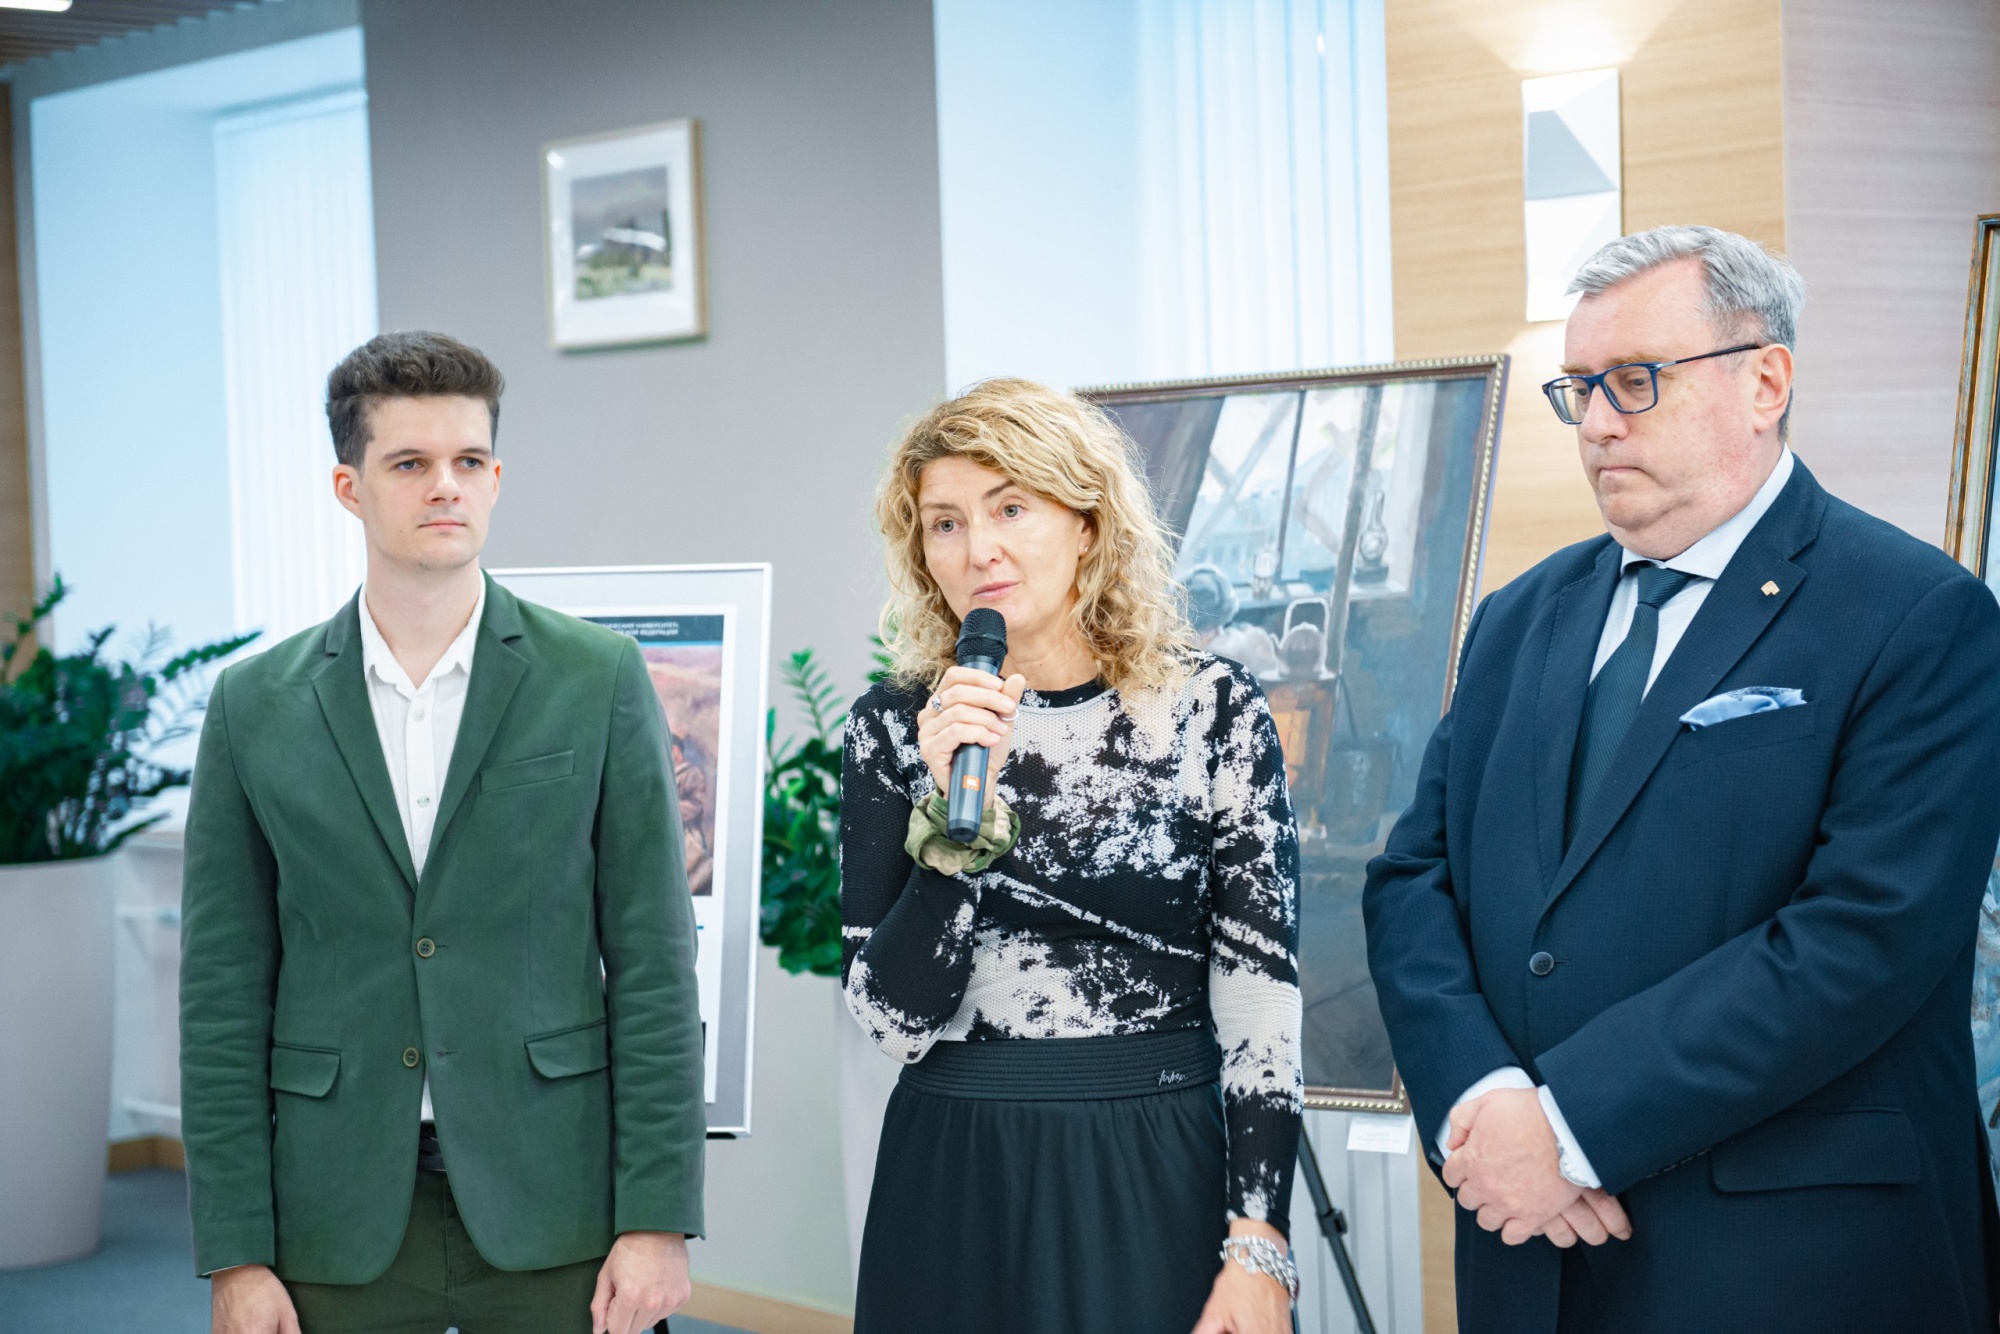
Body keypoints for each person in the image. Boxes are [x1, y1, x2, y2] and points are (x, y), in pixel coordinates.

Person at [1363, 225, 2000, 1332]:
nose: (1597, 422)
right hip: (1530, 1246)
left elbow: (1861, 939)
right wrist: (1486, 1101)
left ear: (1765, 382)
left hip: (1789, 1259)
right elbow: (1412, 879)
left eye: (1635, 380)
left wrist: (1567, 1125)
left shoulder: (1917, 615)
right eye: (1579, 388)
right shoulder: (1519, 615)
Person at [179, 332, 705, 1334]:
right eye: (410, 463)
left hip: (557, 1201)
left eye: (468, 461)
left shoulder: (595, 677)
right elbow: (221, 995)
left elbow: (652, 965)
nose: (445, 487)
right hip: (334, 1212)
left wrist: (657, 1218)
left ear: (496, 479)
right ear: (349, 487)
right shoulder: (253, 705)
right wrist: (235, 1250)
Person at [840, 379, 1304, 1334]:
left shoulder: (1211, 711)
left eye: (1011, 507)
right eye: (945, 523)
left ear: (1087, 525)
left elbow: (1259, 992)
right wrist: (955, 832)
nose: (979, 548)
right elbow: (891, 1020)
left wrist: (1259, 1235)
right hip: (955, 1168)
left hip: (1153, 1156)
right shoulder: (894, 727)